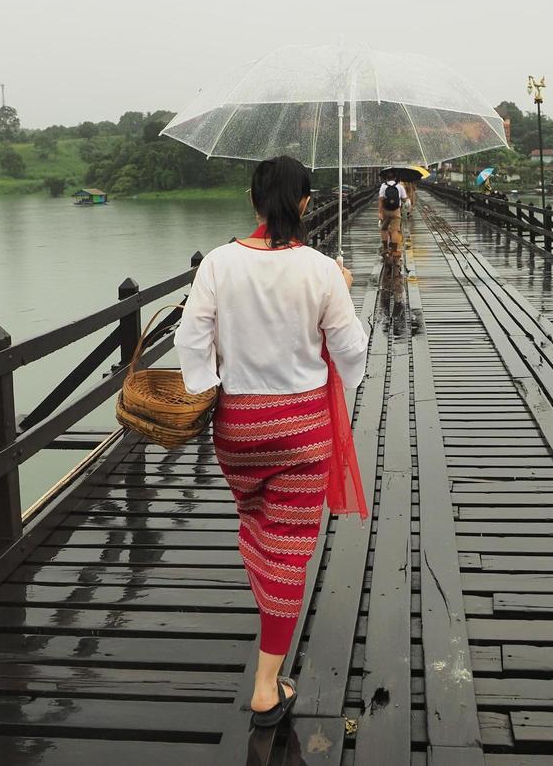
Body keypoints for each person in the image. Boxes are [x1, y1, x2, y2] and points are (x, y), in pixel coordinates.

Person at [175, 156, 370, 728]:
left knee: (258, 521)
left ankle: (268, 607)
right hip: (304, 427)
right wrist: (343, 288)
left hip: (237, 427)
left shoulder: (217, 262)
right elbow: (351, 351)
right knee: (288, 545)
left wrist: (208, 389)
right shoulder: (320, 270)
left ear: (251, 200)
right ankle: (267, 684)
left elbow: (192, 340)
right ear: (306, 202)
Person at [378, 170, 406, 257]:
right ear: (395, 177)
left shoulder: (383, 186)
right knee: (395, 230)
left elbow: (381, 199)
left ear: (386, 178)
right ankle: (394, 250)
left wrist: (379, 212)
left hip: (385, 210)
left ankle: (386, 249)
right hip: (396, 210)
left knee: (384, 229)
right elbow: (404, 199)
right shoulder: (399, 186)